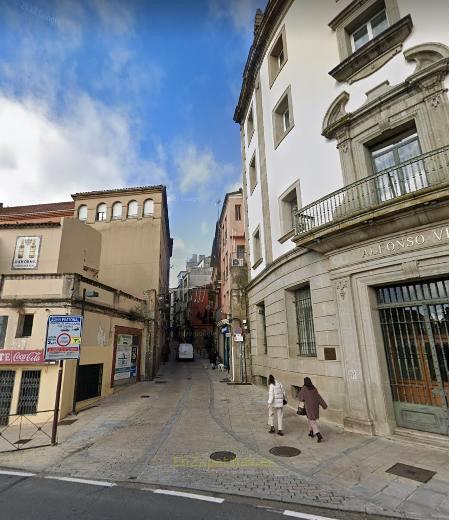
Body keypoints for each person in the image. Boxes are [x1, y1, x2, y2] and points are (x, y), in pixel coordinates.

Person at [298, 377, 327, 443]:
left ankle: (318, 434)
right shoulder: (314, 388)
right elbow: (319, 397)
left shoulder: (304, 388)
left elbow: (300, 398)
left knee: (312, 421)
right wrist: (324, 405)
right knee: (309, 419)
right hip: (315, 407)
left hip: (309, 407)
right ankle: (311, 431)